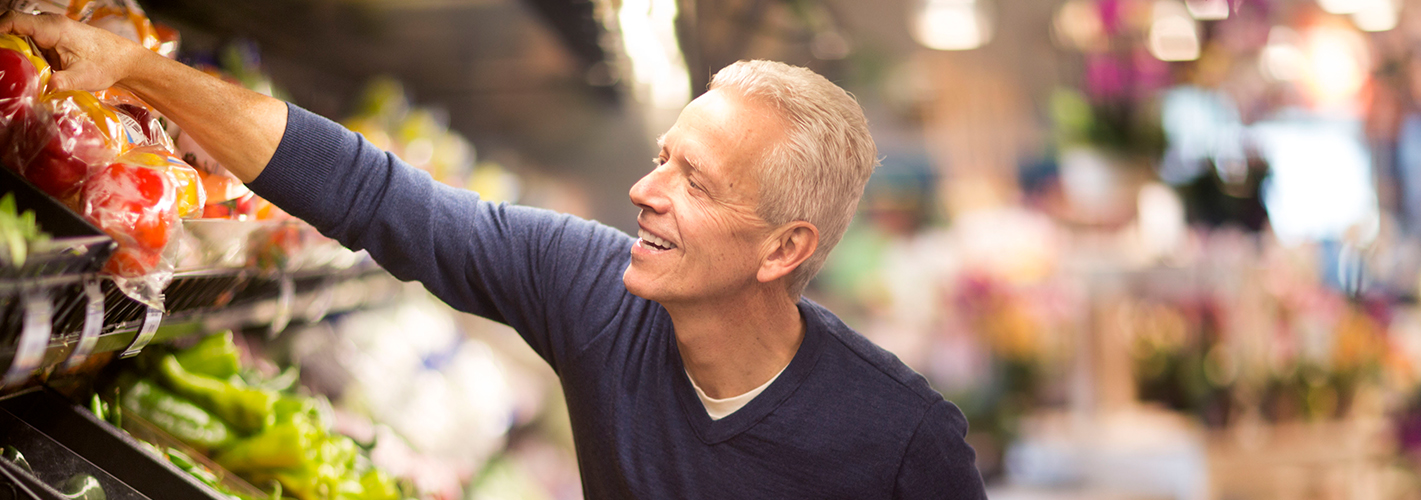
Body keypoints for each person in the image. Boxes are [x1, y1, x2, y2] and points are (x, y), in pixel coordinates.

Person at [3, 11, 986, 499]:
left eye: (696, 181)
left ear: (786, 249)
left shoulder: (902, 443)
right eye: (660, 160)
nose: (644, 192)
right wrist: (139, 70)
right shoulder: (595, 290)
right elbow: (372, 192)